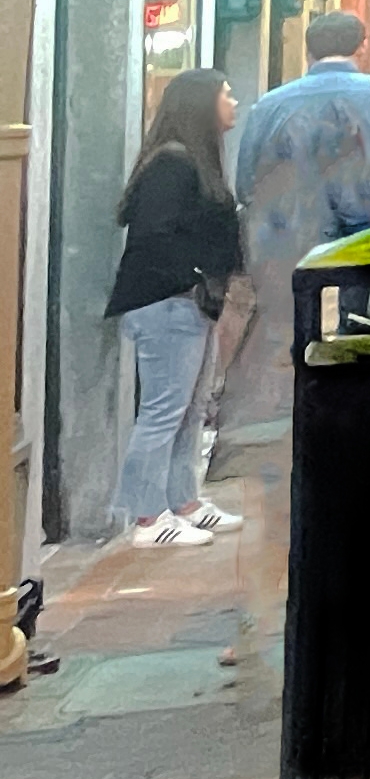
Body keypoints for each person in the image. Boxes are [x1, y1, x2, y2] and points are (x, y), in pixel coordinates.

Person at [225, 9, 370, 421]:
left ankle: (313, 424)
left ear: (309, 51)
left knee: (303, 350)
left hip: (294, 252)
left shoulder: (269, 107)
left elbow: (246, 186)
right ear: (362, 47)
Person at [106, 70, 247, 549]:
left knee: (189, 410)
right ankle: (148, 517)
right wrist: (192, 279)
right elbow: (155, 234)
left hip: (189, 304)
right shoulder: (173, 165)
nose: (234, 101)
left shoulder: (195, 161)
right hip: (168, 304)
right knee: (164, 410)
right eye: (226, 94)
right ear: (202, 105)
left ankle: (184, 500)